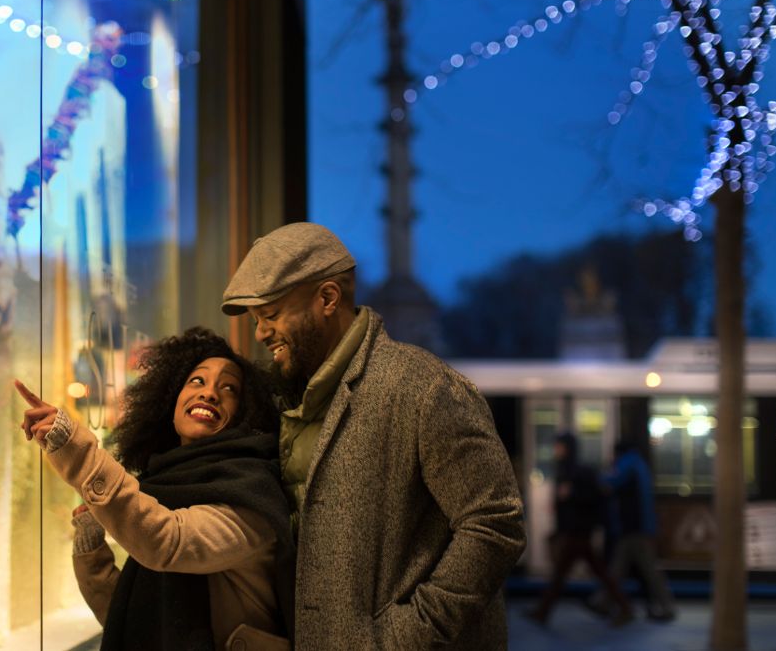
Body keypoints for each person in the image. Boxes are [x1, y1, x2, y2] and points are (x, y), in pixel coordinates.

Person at [220, 222, 526, 650]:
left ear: (327, 298)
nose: (260, 333)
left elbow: (496, 524)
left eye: (270, 315)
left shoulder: (422, 386)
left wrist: (408, 636)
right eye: (255, 319)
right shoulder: (288, 399)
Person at [15, 328, 295, 651]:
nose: (209, 393)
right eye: (197, 381)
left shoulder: (252, 492)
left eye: (229, 388)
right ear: (170, 402)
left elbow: (168, 541)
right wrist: (92, 550)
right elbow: (132, 620)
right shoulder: (162, 483)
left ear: (246, 413)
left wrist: (74, 449)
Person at [525, 432, 633, 627]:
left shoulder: (580, 472)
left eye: (560, 446)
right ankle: (624, 608)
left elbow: (593, 497)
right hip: (574, 531)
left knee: (575, 573)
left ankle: (543, 612)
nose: (556, 450)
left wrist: (572, 494)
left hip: (580, 531)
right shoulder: (566, 470)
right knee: (586, 572)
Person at [589, 441, 676, 621]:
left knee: (646, 570)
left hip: (634, 528)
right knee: (620, 567)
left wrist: (593, 477)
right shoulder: (638, 463)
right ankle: (603, 602)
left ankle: (667, 608)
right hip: (637, 527)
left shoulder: (627, 464)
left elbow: (610, 481)